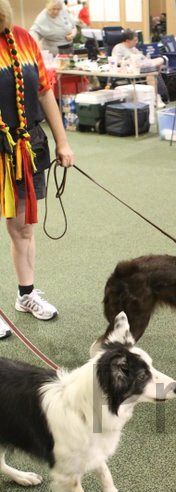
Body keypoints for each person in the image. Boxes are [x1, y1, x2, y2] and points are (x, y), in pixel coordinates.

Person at [0, 0, 74, 339]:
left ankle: (25, 295)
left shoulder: (24, 40)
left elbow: (45, 93)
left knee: (23, 229)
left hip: (26, 149)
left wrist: (62, 142)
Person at [112, 30, 165, 107]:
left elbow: (143, 58)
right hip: (130, 69)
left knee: (160, 59)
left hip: (141, 66)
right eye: (135, 40)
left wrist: (145, 60)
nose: (136, 42)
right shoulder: (118, 48)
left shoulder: (134, 49)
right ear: (127, 41)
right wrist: (128, 62)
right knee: (151, 74)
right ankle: (155, 97)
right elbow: (116, 61)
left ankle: (155, 96)